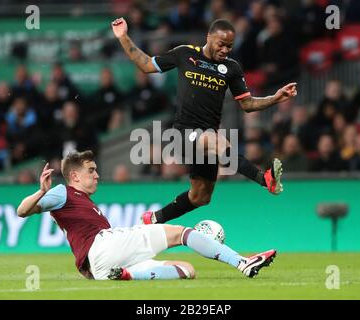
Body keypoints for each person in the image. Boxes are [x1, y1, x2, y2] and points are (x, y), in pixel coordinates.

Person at [112, 17, 297, 225]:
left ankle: (153, 219)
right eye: (221, 44)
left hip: (207, 141)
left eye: (230, 46)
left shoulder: (232, 68)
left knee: (200, 197)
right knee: (215, 139)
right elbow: (146, 65)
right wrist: (123, 37)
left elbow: (247, 104)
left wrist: (275, 98)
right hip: (183, 135)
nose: (225, 49)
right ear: (208, 37)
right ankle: (265, 179)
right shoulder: (185, 53)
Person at [16, 150, 276, 280]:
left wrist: (94, 270)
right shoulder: (63, 192)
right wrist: (40, 192)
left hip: (101, 267)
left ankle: (126, 275)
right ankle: (243, 263)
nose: (97, 175)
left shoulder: (84, 203)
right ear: (74, 176)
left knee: (187, 270)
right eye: (91, 170)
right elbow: (22, 210)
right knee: (182, 234)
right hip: (104, 246)